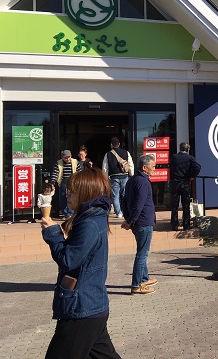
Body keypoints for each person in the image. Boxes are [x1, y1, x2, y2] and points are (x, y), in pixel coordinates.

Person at [41, 167, 121, 359]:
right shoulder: (91, 217)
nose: (67, 194)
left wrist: (53, 234)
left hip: (82, 309)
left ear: (86, 192)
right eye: (68, 189)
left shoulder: (90, 223)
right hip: (91, 306)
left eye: (73, 190)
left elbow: (69, 259)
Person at [121, 154, 158, 295]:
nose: (154, 169)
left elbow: (124, 201)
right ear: (144, 167)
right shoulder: (142, 182)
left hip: (138, 223)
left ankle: (144, 278)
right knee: (142, 254)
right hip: (143, 223)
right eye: (153, 166)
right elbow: (138, 205)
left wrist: (128, 219)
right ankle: (137, 285)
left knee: (142, 252)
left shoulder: (132, 180)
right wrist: (129, 221)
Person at [169, 142, 201, 231]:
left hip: (175, 183)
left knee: (174, 205)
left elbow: (171, 167)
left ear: (180, 148)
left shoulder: (174, 157)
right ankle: (186, 225)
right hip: (185, 183)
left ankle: (174, 225)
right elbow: (197, 167)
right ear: (188, 149)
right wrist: (191, 176)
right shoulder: (190, 158)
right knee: (186, 205)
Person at [102, 137, 134, 218]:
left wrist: (105, 178)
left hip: (114, 177)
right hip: (125, 176)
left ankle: (118, 213)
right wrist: (131, 175)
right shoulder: (126, 152)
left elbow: (105, 168)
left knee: (115, 196)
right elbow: (131, 165)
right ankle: (126, 210)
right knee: (125, 194)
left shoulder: (108, 154)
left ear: (111, 145)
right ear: (119, 144)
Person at [49, 150, 78, 219]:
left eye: (69, 157)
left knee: (72, 197)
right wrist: (52, 182)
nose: (67, 159)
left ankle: (70, 213)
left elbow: (79, 172)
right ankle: (65, 213)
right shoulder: (58, 163)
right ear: (62, 157)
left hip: (73, 182)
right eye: (65, 158)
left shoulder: (75, 162)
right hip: (63, 182)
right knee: (63, 198)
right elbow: (55, 174)